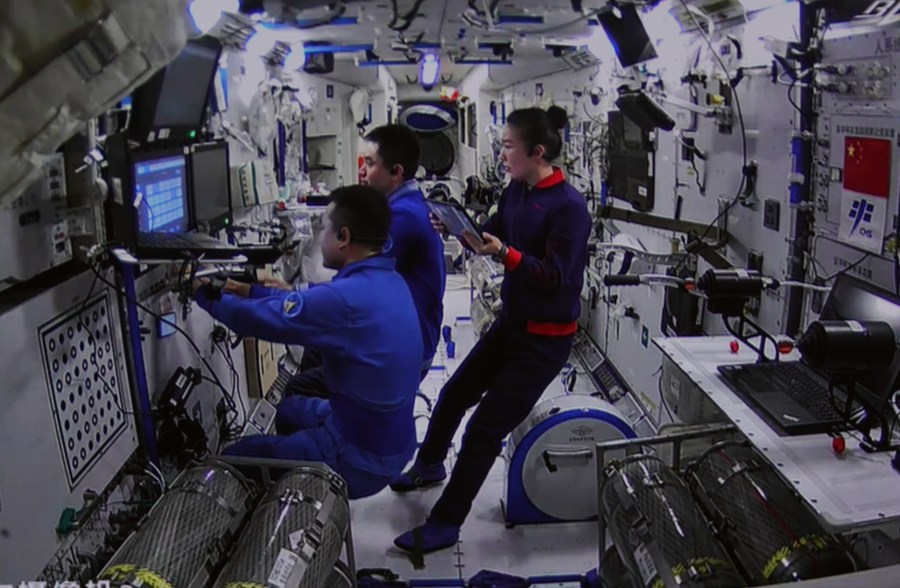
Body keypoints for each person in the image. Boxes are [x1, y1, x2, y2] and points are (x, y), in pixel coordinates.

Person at [390, 106, 592, 552]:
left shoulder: (569, 208)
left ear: (537, 152)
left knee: (483, 430)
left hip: (544, 341)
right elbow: (491, 232)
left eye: (508, 146)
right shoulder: (518, 190)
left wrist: (504, 253)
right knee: (454, 393)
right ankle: (429, 464)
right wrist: (461, 229)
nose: (502, 155)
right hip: (512, 323)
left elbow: (555, 278)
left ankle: (446, 524)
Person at [192, 185, 423, 499]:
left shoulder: (346, 299)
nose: (319, 235)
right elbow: (308, 302)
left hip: (359, 457)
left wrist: (203, 295)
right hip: (388, 438)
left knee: (235, 457)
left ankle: (297, 494)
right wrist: (248, 289)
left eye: (322, 228)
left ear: (343, 237)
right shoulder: (390, 280)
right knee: (289, 410)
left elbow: (261, 320)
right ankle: (294, 479)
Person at [282, 124, 445, 398]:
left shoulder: (402, 218)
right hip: (400, 336)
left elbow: (354, 283)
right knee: (316, 345)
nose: (361, 171)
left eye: (369, 164)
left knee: (299, 388)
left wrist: (294, 294)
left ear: (396, 172)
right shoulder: (406, 206)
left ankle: (337, 422)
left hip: (401, 352)